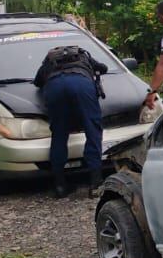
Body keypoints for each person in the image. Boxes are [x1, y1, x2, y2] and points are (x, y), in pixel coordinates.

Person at [33, 43, 108, 198]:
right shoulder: (83, 55)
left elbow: (38, 81)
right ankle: (95, 183)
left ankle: (60, 185)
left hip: (55, 86)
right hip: (81, 83)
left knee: (59, 134)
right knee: (92, 130)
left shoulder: (50, 60)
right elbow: (103, 68)